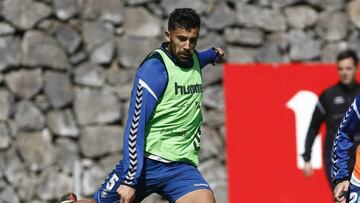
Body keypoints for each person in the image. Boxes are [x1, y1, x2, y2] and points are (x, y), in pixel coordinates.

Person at [57, 8, 225, 203]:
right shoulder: (154, 70)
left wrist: (213, 54)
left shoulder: (193, 57)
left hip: (181, 168)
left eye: (192, 40)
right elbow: (135, 126)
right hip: (146, 163)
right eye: (181, 39)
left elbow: (199, 58)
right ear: (168, 36)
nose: (188, 46)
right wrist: (130, 179)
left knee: (205, 200)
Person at [302, 49, 360, 189]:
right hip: (336, 159)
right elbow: (313, 127)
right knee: (341, 197)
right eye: (340, 69)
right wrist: (307, 158)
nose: (344, 72)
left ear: (356, 68)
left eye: (348, 68)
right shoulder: (328, 96)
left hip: (358, 156)